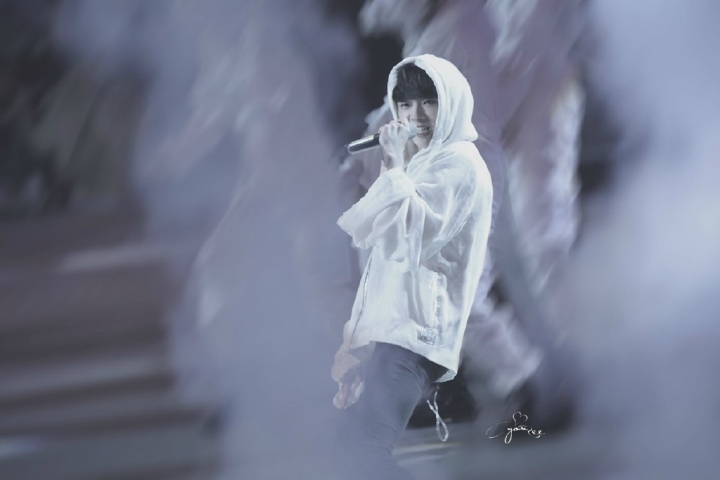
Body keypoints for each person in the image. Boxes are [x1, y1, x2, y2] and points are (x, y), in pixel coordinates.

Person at [332, 54, 493, 480]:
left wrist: (391, 162)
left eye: (428, 102)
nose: (416, 116)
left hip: (416, 335)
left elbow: (409, 237)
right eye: (405, 104)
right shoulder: (427, 159)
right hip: (395, 331)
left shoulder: (460, 163)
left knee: (366, 455)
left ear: (451, 101)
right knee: (351, 450)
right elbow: (374, 235)